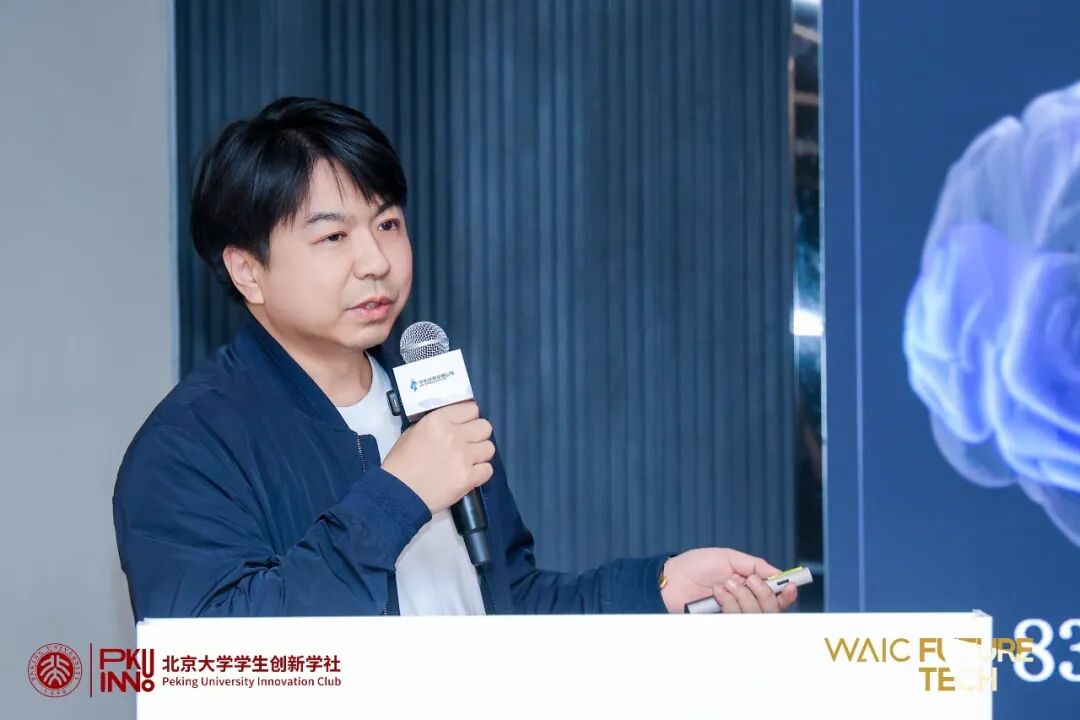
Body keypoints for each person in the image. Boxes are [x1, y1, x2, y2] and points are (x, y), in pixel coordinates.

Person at [112, 97, 798, 620]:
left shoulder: (430, 400)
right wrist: (397, 495)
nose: (376, 260)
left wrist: (661, 588)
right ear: (247, 271)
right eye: (333, 237)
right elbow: (217, 660)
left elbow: (506, 604)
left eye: (388, 223)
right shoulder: (188, 448)